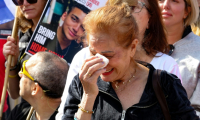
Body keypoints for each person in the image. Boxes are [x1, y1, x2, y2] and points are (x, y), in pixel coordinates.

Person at [62, 4, 199, 119]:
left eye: (108, 55)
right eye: (93, 53)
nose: (100, 62)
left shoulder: (165, 84)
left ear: (132, 47)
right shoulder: (82, 83)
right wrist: (88, 97)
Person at [158, 0, 200, 116]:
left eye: (174, 0)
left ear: (187, 10)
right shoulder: (136, 47)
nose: (166, 5)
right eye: (160, 0)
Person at [3, 0, 47, 99]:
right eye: (19, 0)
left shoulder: (63, 36)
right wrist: (11, 64)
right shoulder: (21, 34)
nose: (25, 4)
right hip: (25, 111)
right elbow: (15, 94)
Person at [7, 51, 69, 120]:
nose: (19, 73)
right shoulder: (19, 112)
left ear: (34, 88)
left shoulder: (68, 117)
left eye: (24, 71)